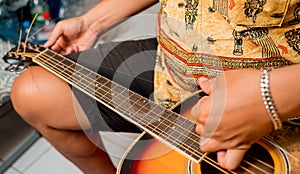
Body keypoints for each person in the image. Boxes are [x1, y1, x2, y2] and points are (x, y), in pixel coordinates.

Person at [10, 0, 300, 173]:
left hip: (283, 99)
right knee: (34, 93)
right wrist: (92, 22)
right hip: (172, 70)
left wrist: (270, 96)